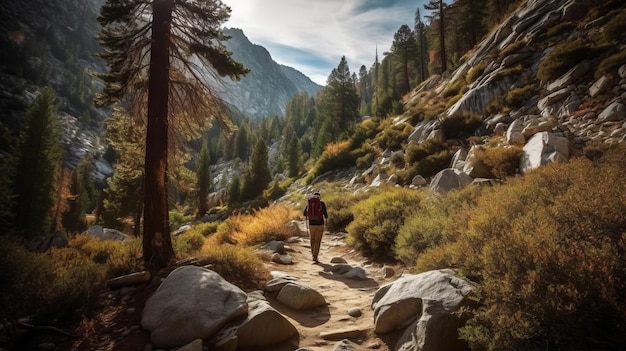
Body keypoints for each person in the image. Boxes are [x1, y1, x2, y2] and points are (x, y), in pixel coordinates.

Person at [303, 192, 328, 263]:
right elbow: (326, 215)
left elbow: (304, 213)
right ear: (319, 197)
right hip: (320, 224)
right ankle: (315, 256)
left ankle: (313, 254)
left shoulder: (309, 203)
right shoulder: (322, 203)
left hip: (311, 224)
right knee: (317, 241)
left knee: (312, 239)